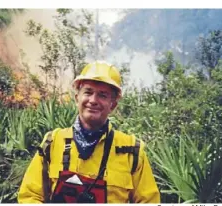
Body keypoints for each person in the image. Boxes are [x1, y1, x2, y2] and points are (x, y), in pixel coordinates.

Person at [18, 61, 160, 203]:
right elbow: (30, 197)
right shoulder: (53, 142)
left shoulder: (132, 150)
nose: (93, 100)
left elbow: (149, 202)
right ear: (77, 98)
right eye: (88, 92)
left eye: (103, 95)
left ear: (113, 105)